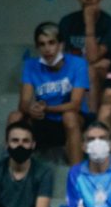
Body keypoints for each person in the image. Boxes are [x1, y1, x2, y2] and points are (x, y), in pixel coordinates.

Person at [10, 22, 89, 166]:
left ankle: (76, 173)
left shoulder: (78, 64)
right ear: (37, 47)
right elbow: (24, 103)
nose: (47, 49)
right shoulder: (30, 65)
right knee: (15, 116)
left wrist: (46, 108)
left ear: (61, 45)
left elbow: (75, 104)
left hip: (70, 119)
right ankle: (14, 169)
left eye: (51, 43)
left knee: (70, 116)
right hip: (43, 119)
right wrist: (31, 109)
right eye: (42, 44)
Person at [58, 0, 111, 124]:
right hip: (74, 71)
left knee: (92, 69)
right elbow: (66, 57)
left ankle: (92, 118)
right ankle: (90, 118)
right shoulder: (66, 22)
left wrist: (89, 23)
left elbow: (92, 57)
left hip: (106, 76)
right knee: (88, 68)